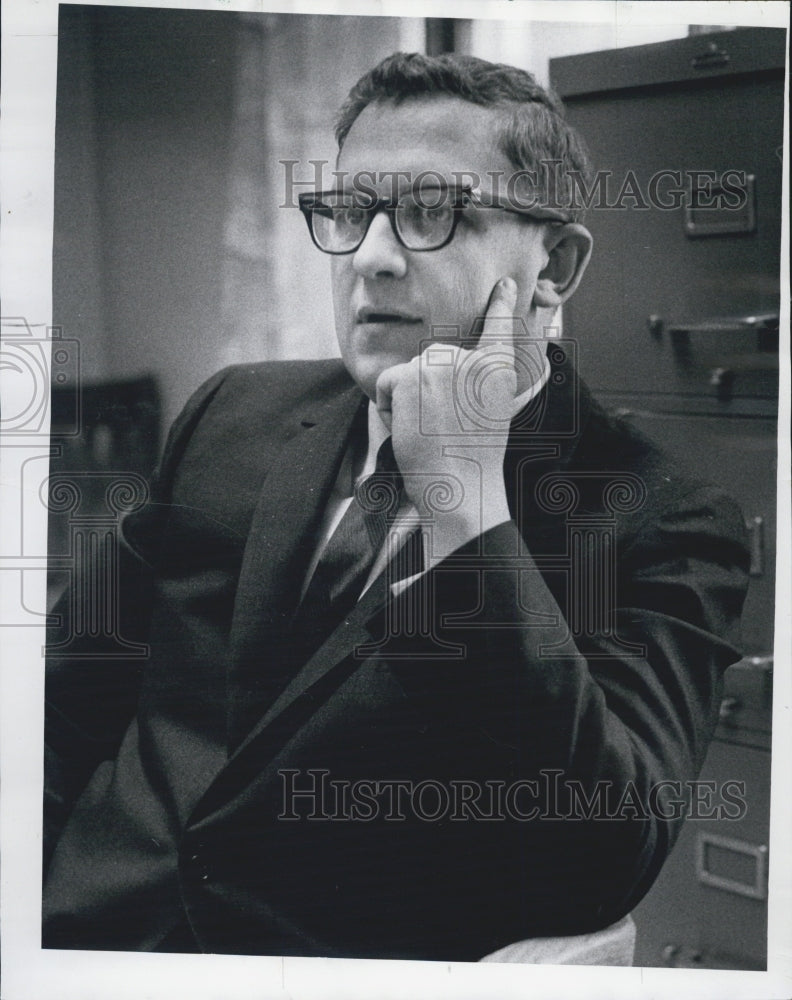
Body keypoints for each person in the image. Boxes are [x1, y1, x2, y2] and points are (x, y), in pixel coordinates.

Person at [43, 52, 749, 963]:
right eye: (348, 211)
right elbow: (63, 704)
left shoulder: (661, 519)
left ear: (556, 265)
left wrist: (467, 512)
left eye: (431, 212)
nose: (370, 258)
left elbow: (601, 855)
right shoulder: (234, 414)